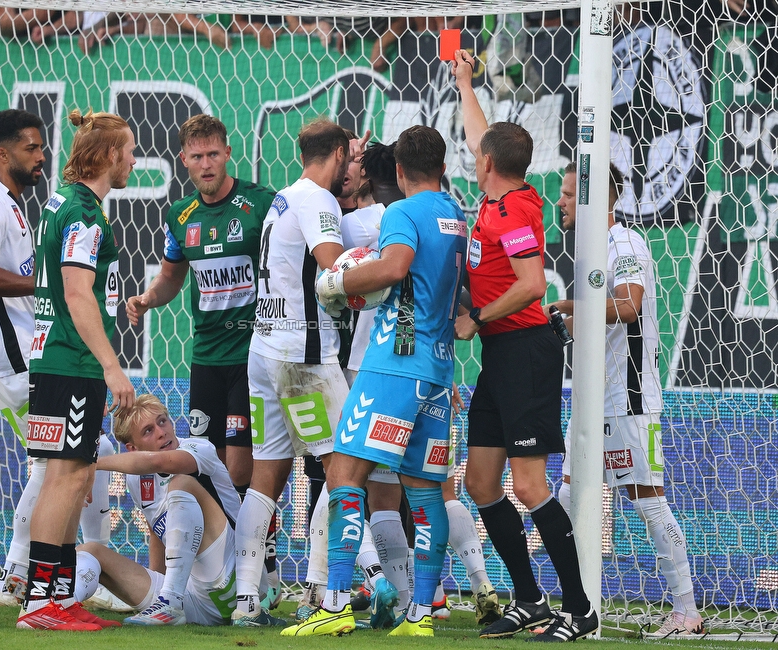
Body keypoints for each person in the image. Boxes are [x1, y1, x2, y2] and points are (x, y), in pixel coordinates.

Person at [286, 125, 468, 638]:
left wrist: (337, 282)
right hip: (436, 368)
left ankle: (336, 604)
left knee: (344, 475)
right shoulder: (455, 215)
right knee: (426, 492)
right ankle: (419, 617)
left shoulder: (403, 214)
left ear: (401, 171)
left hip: (392, 364)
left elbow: (393, 268)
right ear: (442, 166)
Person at [450, 49, 598, 642]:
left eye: (479, 150)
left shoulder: (511, 208)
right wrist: (464, 82)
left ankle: (582, 611)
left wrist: (477, 315)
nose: (473, 149)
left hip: (526, 350)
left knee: (531, 486)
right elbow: (484, 134)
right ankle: (530, 599)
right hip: (501, 355)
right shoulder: (497, 191)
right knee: (481, 484)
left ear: (485, 164)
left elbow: (533, 283)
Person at [0, 109, 120, 611]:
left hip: (39, 353)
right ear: (2, 153)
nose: (40, 155)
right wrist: (54, 282)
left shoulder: (38, 204)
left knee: (66, 467)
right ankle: (27, 583)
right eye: (30, 147)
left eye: (42, 147)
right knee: (62, 470)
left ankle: (46, 585)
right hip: (25, 358)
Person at [549, 162, 704, 638]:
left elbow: (629, 305)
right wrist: (563, 317)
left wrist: (572, 311)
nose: (562, 202)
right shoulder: (595, 252)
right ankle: (577, 605)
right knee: (569, 495)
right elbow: (603, 315)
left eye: (572, 194)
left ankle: (686, 611)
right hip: (596, 399)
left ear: (603, 200)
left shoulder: (626, 244)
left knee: (648, 500)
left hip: (631, 399)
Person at [15, 108, 136, 631]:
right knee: (64, 478)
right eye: (129, 151)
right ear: (110, 155)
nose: (133, 160)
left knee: (71, 474)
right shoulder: (84, 211)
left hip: (54, 356)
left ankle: (57, 598)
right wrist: (112, 365)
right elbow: (76, 290)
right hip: (72, 360)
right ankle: (40, 604)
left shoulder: (62, 203)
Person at [231, 118, 351, 627]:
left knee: (266, 477)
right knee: (344, 465)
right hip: (304, 358)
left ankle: (245, 601)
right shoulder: (319, 201)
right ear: (341, 153)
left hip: (263, 351)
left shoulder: (283, 197)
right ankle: (323, 595)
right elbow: (332, 269)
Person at [127, 114, 273, 495]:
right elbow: (172, 277)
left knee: (240, 467)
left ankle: (258, 551)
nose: (205, 165)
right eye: (196, 157)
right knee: (207, 460)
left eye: (212, 154)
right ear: (183, 159)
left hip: (251, 354)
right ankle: (226, 550)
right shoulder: (179, 215)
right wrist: (148, 299)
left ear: (227, 153)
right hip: (206, 356)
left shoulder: (261, 204)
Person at [73, 394, 241, 625]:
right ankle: (65, 604)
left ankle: (169, 602)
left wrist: (91, 466)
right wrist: (156, 585)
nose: (161, 432)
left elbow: (157, 462)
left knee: (181, 484)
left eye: (162, 421)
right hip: (191, 600)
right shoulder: (137, 481)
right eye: (148, 431)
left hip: (231, 588)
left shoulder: (199, 449)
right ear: (132, 447)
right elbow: (157, 532)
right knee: (90, 551)